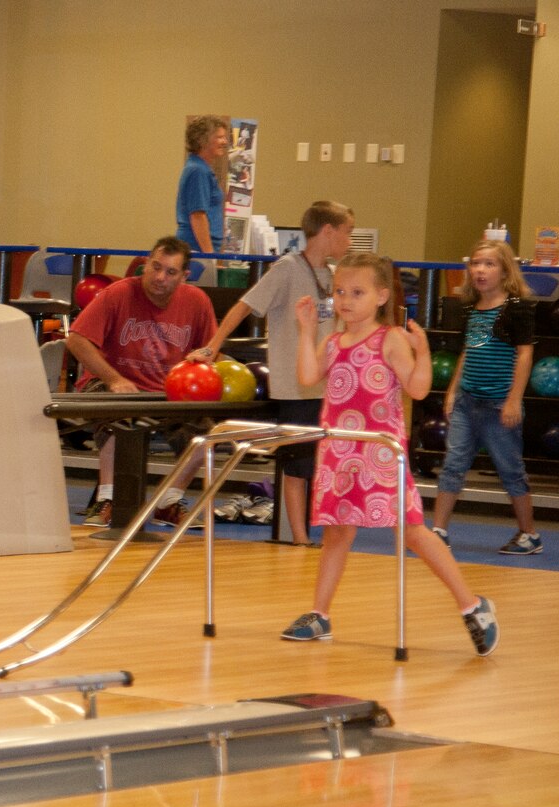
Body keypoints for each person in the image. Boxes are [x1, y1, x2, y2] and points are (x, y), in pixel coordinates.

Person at [282, 254, 498, 655]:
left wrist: (424, 352)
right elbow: (307, 376)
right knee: (336, 534)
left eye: (357, 292)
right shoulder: (332, 341)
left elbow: (416, 389)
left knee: (413, 530)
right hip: (340, 453)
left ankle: (473, 604)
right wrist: (306, 330)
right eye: (340, 291)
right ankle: (320, 614)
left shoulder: (390, 339)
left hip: (380, 454)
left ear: (381, 296)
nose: (346, 300)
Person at [187, 201, 356, 546]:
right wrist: (213, 346)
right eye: (348, 232)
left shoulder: (335, 275)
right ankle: (299, 537)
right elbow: (244, 305)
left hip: (328, 386)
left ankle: (312, 531)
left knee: (322, 463)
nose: (350, 240)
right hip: (296, 388)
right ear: (328, 231)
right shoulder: (288, 268)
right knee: (297, 465)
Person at [65, 237, 217, 527]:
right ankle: (106, 499)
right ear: (145, 264)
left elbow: (213, 349)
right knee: (118, 411)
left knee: (206, 431)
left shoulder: (197, 302)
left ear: (184, 276)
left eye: (170, 272)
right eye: (155, 267)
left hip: (168, 391)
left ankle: (169, 501)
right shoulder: (118, 293)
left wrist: (204, 359)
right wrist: (113, 378)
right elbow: (76, 340)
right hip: (111, 382)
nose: (160, 277)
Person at [430, 240, 541, 555]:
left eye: (489, 264)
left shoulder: (516, 308)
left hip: (497, 404)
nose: (480, 270)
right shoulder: (470, 308)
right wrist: (453, 390)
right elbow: (468, 350)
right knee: (453, 464)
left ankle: (529, 534)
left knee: (510, 470)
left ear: (504, 270)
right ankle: (438, 531)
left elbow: (524, 355)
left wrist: (513, 399)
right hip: (468, 400)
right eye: (476, 263)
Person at [176, 115, 229, 256]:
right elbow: (198, 215)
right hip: (196, 248)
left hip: (200, 247)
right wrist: (209, 256)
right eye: (220, 137)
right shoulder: (198, 170)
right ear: (203, 140)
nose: (225, 142)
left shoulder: (201, 168)